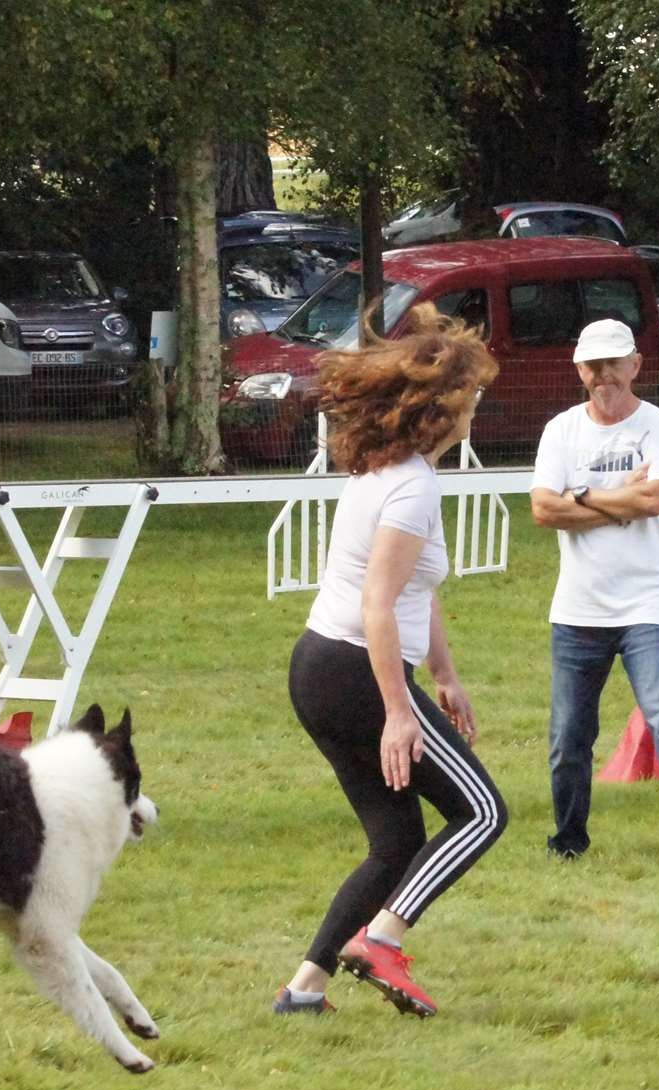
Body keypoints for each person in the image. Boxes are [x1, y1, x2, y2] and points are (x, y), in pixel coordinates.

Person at [273, 304, 507, 1019]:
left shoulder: (384, 470)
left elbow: (411, 592)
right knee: (483, 813)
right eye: (470, 399)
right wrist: (400, 714)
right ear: (441, 411)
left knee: (397, 839)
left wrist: (443, 674)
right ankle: (382, 941)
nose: (476, 410)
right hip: (355, 672)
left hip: (318, 668)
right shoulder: (412, 487)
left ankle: (303, 991)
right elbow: (378, 604)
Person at [529, 318, 659, 870]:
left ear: (636, 365)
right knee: (569, 735)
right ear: (579, 370)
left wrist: (585, 495)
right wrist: (619, 496)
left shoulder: (658, 425)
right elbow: (544, 510)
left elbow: (653, 502)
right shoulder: (560, 431)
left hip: (647, 602)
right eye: (593, 366)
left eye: (614, 364)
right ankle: (568, 841)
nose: (604, 376)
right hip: (578, 607)